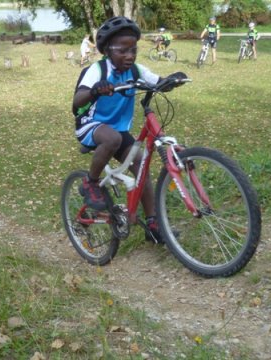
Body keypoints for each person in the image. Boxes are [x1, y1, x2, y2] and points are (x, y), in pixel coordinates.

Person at [73, 16, 186, 243]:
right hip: (90, 125)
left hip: (116, 130)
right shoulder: (98, 70)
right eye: (122, 50)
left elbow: (157, 81)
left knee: (141, 165)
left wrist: (172, 80)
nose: (129, 55)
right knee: (112, 138)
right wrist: (95, 90)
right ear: (107, 50)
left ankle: (153, 224)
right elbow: (77, 100)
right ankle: (90, 182)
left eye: (133, 50)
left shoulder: (135, 70)